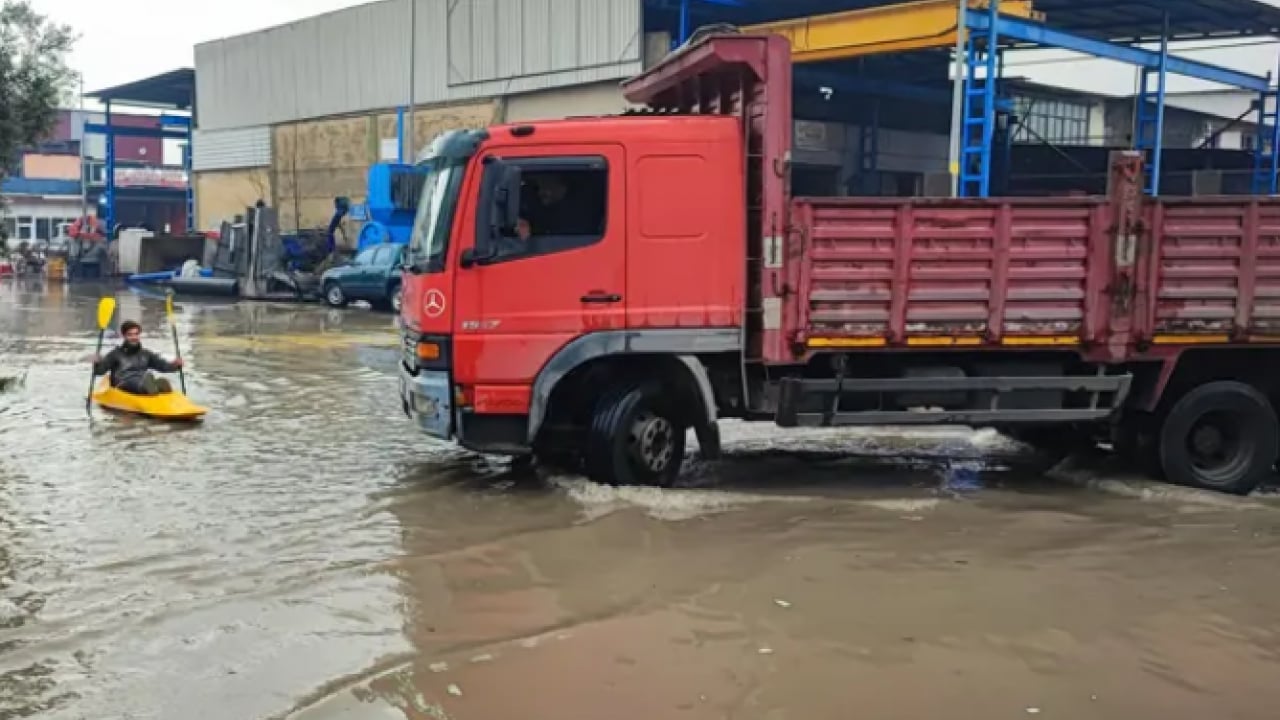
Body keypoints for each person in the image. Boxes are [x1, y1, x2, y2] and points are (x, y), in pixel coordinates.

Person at [92, 320, 184, 395]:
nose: (134, 337)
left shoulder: (146, 354)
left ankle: (156, 385)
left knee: (145, 378)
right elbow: (99, 371)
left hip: (142, 378)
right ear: (124, 336)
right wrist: (97, 363)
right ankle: (148, 386)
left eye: (136, 334)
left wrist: (175, 365)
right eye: (130, 334)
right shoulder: (115, 354)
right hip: (122, 383)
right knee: (138, 381)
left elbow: (162, 365)